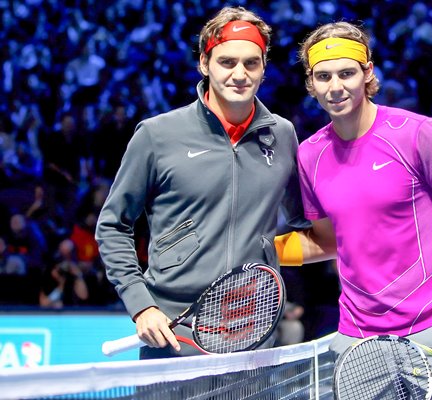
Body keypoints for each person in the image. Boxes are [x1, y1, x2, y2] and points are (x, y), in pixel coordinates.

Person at [274, 21, 432, 399]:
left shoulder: (418, 134)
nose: (335, 86)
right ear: (311, 83)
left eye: (346, 73)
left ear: (368, 72)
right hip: (358, 341)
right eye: (323, 76)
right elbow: (326, 241)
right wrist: (263, 250)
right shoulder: (309, 156)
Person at [95, 6, 305, 359]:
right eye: (227, 62)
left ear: (263, 68)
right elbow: (113, 226)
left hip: (250, 338)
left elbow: (305, 223)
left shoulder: (282, 135)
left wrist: (268, 251)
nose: (239, 74)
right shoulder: (157, 135)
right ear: (204, 64)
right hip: (174, 336)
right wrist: (140, 304)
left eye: (251, 63)